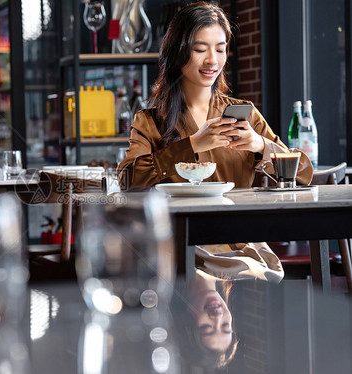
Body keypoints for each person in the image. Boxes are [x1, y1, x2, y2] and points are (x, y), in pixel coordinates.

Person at [116, 2, 314, 283]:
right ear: (178, 52)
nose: (212, 60)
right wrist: (193, 144)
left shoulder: (244, 113)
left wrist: (260, 145)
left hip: (239, 244)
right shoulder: (150, 121)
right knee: (189, 277)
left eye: (220, 49)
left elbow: (304, 172)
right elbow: (127, 180)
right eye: (200, 49)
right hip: (178, 244)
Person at [171, 270, 238, 370]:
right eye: (225, 325)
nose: (217, 317)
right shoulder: (233, 267)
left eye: (206, 327)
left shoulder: (167, 273)